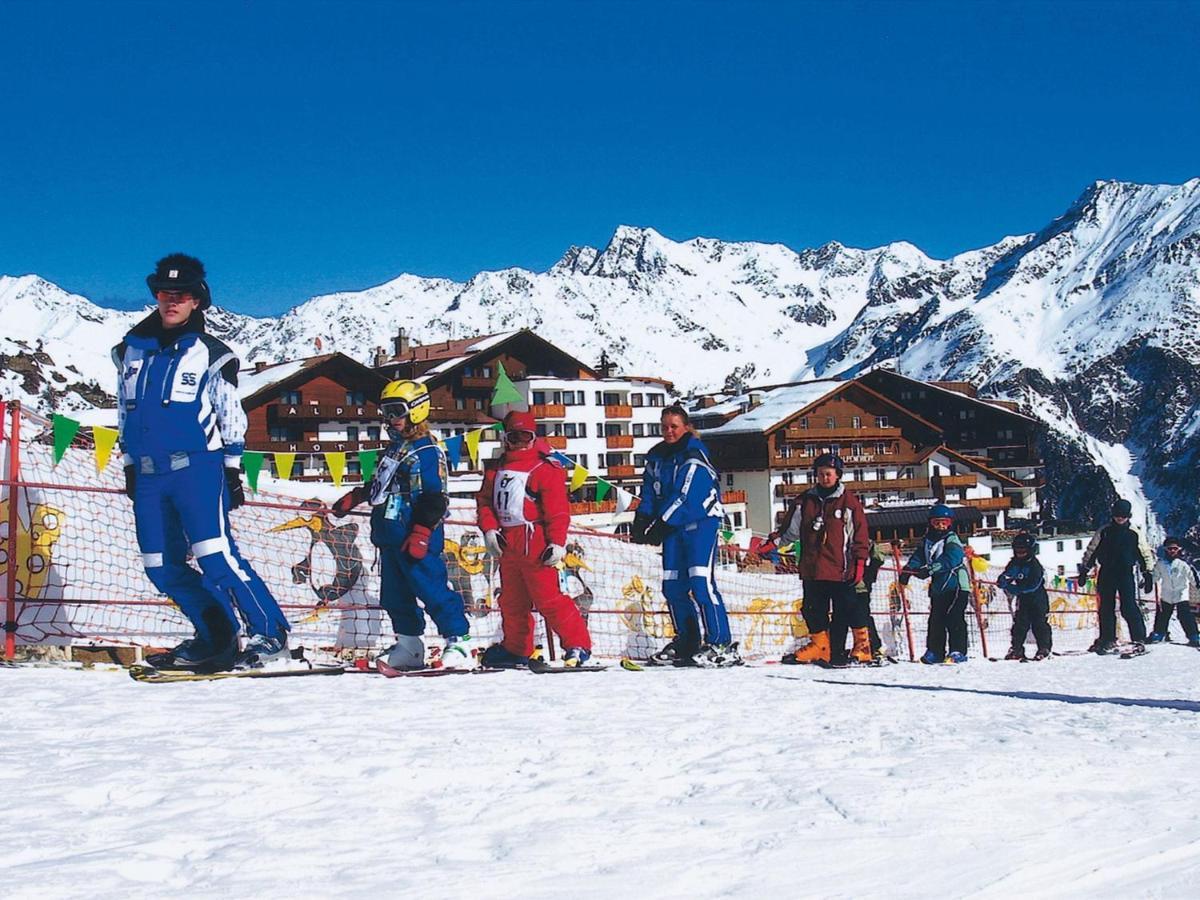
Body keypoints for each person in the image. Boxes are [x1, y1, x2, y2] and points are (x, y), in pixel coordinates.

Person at [114, 253, 290, 671]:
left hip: (197, 467)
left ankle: (271, 636)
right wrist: (128, 466)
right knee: (161, 566)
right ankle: (217, 638)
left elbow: (230, 413)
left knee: (215, 555)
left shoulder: (212, 353)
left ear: (197, 300)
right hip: (150, 475)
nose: (171, 301)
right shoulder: (128, 351)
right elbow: (124, 410)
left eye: (182, 294)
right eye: (164, 292)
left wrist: (231, 469)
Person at [330, 379, 472, 669]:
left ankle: (459, 641)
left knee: (431, 589)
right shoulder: (394, 450)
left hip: (414, 536)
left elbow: (435, 496)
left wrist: (421, 531)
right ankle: (409, 644)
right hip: (389, 536)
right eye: (385, 412)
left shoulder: (427, 451)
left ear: (417, 411)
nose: (389, 419)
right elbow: (382, 486)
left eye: (396, 411)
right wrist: (356, 496)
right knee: (394, 595)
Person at [475, 411, 593, 667]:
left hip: (535, 541)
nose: (519, 442)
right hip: (507, 542)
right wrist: (489, 529)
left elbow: (558, 510)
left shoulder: (544, 467)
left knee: (548, 598)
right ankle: (516, 647)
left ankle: (577, 645)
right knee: (511, 600)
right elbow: (485, 501)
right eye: (513, 437)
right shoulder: (497, 469)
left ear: (533, 437)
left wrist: (557, 543)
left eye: (525, 436)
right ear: (505, 438)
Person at [631, 405, 740, 667]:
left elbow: (687, 495)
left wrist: (661, 524)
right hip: (674, 527)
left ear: (686, 427)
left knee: (701, 583)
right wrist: (642, 518)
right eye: (665, 426)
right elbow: (650, 490)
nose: (669, 431)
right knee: (672, 586)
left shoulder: (694, 454)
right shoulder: (657, 456)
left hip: (700, 523)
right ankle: (688, 639)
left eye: (674, 427)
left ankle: (720, 642)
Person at [758, 452, 869, 665]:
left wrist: (860, 561)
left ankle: (861, 647)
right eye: (820, 474)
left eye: (829, 474)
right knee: (811, 608)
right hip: (812, 567)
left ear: (838, 475)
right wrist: (773, 543)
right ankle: (821, 646)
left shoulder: (849, 503)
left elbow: (859, 535)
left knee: (845, 610)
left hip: (840, 568)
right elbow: (790, 531)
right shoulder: (805, 501)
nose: (824, 478)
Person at [1078, 498, 1154, 654]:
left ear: (1129, 516)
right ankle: (1107, 639)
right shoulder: (1104, 531)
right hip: (1107, 572)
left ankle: (1138, 639)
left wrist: (1148, 573)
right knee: (1106, 607)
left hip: (1125, 573)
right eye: (1117, 514)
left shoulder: (1134, 532)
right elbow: (1092, 550)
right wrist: (1085, 569)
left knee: (1129, 606)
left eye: (1124, 515)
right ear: (1113, 514)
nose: (1120, 518)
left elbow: (1144, 553)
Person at [901, 504, 971, 664]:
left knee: (954, 617)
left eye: (944, 523)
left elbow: (952, 558)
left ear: (950, 524)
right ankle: (935, 651)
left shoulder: (951, 539)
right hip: (939, 587)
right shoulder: (928, 541)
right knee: (936, 619)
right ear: (930, 523)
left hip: (956, 585)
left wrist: (930, 569)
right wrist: (908, 570)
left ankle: (958, 650)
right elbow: (919, 557)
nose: (940, 526)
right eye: (936, 523)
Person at [997, 532, 1053, 661]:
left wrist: (1013, 588)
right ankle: (1017, 649)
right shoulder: (1015, 563)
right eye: (1017, 549)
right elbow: (1008, 574)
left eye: (1023, 549)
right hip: (1023, 600)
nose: (1020, 552)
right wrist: (1003, 580)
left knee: (1039, 624)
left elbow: (1032, 585)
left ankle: (1044, 649)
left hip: (1038, 599)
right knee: (1020, 624)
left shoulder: (1034, 565)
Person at [1149, 537, 1200, 647]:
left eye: (1175, 548)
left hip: (1180, 593)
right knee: (1163, 614)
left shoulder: (1183, 564)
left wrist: (1197, 584)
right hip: (1167, 593)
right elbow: (1155, 576)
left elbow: (1193, 577)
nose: (1172, 551)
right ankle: (1159, 633)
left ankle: (1194, 636)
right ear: (1165, 549)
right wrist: (1148, 582)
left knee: (1185, 615)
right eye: (1169, 548)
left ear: (1179, 549)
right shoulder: (1161, 563)